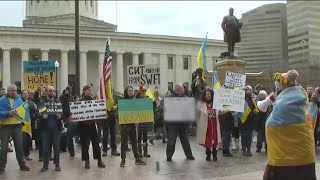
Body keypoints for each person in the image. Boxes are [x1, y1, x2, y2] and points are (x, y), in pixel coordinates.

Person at [258, 70, 316, 180]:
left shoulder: (283, 103)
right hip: (305, 158)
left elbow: (270, 120)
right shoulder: (301, 97)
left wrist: (270, 100)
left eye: (277, 87)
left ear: (281, 87)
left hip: (282, 161)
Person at [0, 84, 30, 173]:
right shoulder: (1, 100)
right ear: (8, 91)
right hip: (5, 126)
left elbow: (24, 111)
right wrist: (8, 113)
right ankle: (1, 166)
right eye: (12, 90)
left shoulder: (19, 100)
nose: (14, 92)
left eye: (15, 90)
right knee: (4, 147)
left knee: (19, 146)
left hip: (17, 125)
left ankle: (22, 164)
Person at [77, 85, 105, 169]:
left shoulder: (94, 101)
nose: (90, 92)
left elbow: (98, 111)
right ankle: (87, 161)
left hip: (92, 125)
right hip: (83, 126)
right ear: (84, 91)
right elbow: (76, 113)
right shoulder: (80, 101)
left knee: (96, 144)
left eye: (91, 90)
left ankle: (99, 160)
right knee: (85, 145)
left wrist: (103, 114)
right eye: (88, 90)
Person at [166, 83, 195, 161]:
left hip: (184, 124)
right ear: (177, 90)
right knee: (171, 140)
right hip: (173, 124)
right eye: (182, 89)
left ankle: (189, 155)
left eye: (183, 89)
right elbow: (165, 109)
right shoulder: (169, 98)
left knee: (185, 140)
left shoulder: (186, 98)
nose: (183, 90)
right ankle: (169, 156)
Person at [119, 86, 146, 167]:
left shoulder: (135, 101)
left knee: (134, 142)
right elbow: (119, 114)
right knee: (124, 143)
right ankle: (123, 160)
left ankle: (137, 159)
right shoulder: (122, 102)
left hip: (132, 125)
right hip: (124, 126)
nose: (131, 92)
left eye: (132, 90)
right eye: (129, 91)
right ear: (126, 92)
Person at [38, 86, 62, 172]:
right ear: (47, 92)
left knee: (56, 147)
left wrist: (60, 116)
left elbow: (63, 113)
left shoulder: (58, 102)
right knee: (45, 148)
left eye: (53, 90)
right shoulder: (42, 103)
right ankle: (45, 165)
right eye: (50, 91)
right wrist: (42, 115)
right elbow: (38, 114)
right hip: (46, 129)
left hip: (56, 129)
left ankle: (57, 165)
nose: (52, 92)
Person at [196, 89, 221, 161]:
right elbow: (197, 115)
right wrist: (198, 124)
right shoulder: (200, 103)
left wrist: (229, 109)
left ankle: (214, 153)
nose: (209, 95)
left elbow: (220, 112)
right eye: (207, 94)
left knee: (215, 139)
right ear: (204, 95)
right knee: (207, 140)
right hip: (205, 125)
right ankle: (208, 153)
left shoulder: (216, 103)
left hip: (214, 124)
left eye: (210, 94)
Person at [237, 85, 258, 156]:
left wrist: (255, 111)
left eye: (249, 90)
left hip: (251, 120)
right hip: (243, 120)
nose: (248, 91)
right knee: (244, 135)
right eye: (246, 90)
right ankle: (244, 149)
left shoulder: (253, 99)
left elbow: (255, 108)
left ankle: (248, 149)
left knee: (249, 135)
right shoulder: (241, 99)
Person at [136, 85, 156, 158]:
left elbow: (151, 110)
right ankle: (139, 151)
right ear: (140, 91)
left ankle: (145, 151)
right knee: (139, 136)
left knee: (145, 136)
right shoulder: (137, 100)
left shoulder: (148, 99)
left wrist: (152, 119)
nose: (144, 92)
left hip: (146, 120)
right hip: (139, 121)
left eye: (145, 91)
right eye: (142, 91)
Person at [59, 86, 75, 158]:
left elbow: (73, 105)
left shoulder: (71, 97)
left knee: (68, 133)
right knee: (63, 132)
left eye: (70, 90)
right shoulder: (62, 97)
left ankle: (65, 147)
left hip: (70, 116)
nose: (69, 92)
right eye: (68, 90)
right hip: (65, 116)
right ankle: (62, 146)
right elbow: (60, 106)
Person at [21, 90, 36, 161]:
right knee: (23, 140)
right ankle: (23, 155)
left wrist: (33, 117)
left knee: (28, 140)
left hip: (30, 124)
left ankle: (27, 154)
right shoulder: (19, 103)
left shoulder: (31, 103)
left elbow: (34, 112)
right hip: (22, 125)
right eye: (24, 94)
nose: (25, 95)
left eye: (26, 93)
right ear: (21, 95)